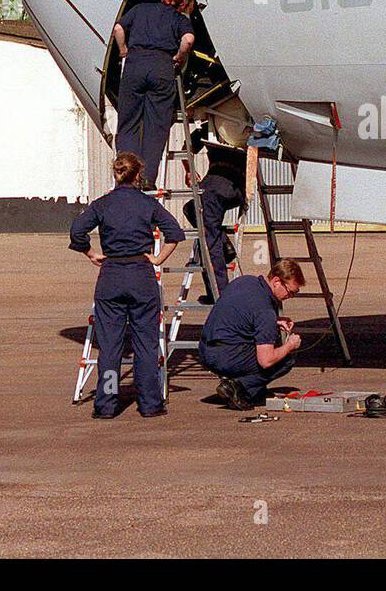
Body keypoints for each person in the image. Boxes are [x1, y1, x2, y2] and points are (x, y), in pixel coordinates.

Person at [69, 152, 185, 419]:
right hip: (141, 274)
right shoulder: (148, 204)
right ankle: (150, 403)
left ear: (115, 174)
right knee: (146, 344)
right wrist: (157, 258)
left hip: (111, 275)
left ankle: (107, 404)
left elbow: (77, 231)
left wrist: (90, 253)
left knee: (110, 347)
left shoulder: (102, 205)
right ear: (137, 176)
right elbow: (175, 233)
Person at [113, 0, 197, 189]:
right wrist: (180, 56)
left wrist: (123, 50)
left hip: (135, 64)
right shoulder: (180, 19)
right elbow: (188, 40)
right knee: (156, 127)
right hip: (162, 67)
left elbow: (118, 29)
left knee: (129, 124)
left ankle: (127, 176)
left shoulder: (140, 9)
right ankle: (147, 178)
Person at [199, 260, 305, 410]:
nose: (291, 296)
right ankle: (239, 388)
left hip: (205, 349)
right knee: (286, 358)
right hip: (225, 356)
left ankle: (248, 388)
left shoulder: (245, 281)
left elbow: (241, 314)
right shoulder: (265, 311)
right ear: (276, 281)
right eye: (291, 291)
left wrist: (275, 321)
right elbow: (266, 361)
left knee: (263, 345)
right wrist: (290, 345)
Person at [182, 141, 247, 301]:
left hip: (216, 188)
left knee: (209, 242)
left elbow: (186, 148)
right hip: (234, 188)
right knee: (190, 209)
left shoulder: (210, 125)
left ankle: (218, 294)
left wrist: (189, 171)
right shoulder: (242, 127)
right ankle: (225, 244)